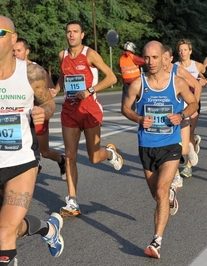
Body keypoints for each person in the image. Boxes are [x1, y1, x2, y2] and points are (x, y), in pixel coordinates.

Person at [0, 15, 63, 265]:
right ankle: (48, 229)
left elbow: (49, 101)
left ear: (13, 38)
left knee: (3, 232)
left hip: (23, 162)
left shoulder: (31, 73)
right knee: (10, 227)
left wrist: (45, 111)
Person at [121, 41, 198, 259]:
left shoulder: (177, 83)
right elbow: (125, 108)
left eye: (155, 57)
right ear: (142, 59)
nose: (151, 62)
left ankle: (156, 241)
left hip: (171, 145)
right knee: (157, 195)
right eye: (147, 58)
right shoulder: (138, 84)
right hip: (146, 146)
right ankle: (170, 196)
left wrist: (181, 116)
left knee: (161, 191)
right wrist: (138, 118)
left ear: (163, 57)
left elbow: (193, 104)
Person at [52, 20, 122, 217]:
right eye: (68, 32)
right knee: (70, 156)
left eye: (75, 32)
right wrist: (55, 90)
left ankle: (108, 153)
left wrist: (90, 91)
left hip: (89, 109)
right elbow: (62, 76)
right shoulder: (62, 55)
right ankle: (72, 201)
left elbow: (112, 78)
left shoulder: (89, 54)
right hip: (69, 111)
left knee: (93, 157)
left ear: (82, 35)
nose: (71, 35)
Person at [13, 37, 66, 179]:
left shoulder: (36, 70)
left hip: (37, 114)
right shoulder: (9, 70)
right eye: (13, 51)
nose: (15, 53)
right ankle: (33, 165)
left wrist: (52, 92)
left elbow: (49, 93)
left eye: (18, 50)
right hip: (20, 118)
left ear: (27, 51)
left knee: (45, 152)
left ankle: (62, 161)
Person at [162, 44, 200, 182]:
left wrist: (194, 105)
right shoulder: (156, 73)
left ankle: (189, 148)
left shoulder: (178, 71)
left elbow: (196, 85)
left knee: (182, 150)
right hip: (166, 116)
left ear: (171, 59)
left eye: (166, 59)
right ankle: (176, 175)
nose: (163, 62)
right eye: (161, 58)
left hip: (183, 112)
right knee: (170, 147)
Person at [175, 39, 206, 156]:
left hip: (193, 102)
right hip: (179, 104)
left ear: (190, 51)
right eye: (180, 50)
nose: (183, 52)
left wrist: (204, 81)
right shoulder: (175, 67)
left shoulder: (198, 66)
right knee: (180, 133)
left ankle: (188, 165)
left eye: (185, 50)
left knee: (190, 132)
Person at [120, 41, 145, 110]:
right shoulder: (131, 56)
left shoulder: (122, 58)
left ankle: (124, 108)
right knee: (136, 94)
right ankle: (133, 108)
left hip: (125, 80)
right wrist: (146, 58)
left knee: (126, 95)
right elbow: (141, 61)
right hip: (134, 79)